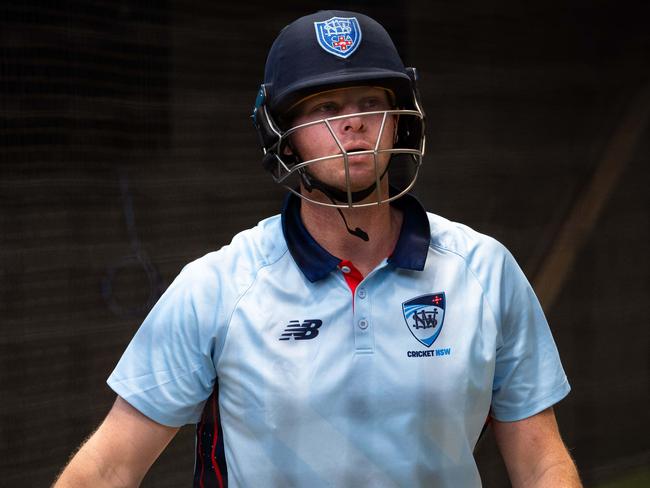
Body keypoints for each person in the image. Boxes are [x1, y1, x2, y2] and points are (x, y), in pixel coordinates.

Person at [54, 10, 582, 487]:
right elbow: (107, 468)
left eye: (370, 102)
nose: (351, 123)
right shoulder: (216, 288)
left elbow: (540, 464)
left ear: (399, 119)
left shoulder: (485, 271)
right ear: (282, 135)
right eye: (324, 106)